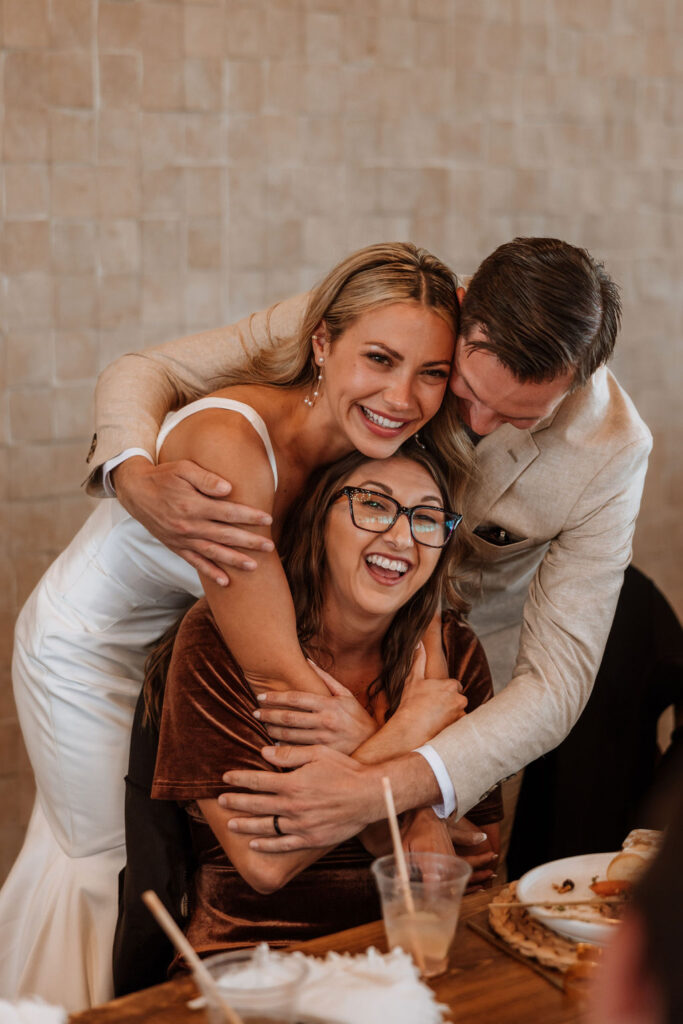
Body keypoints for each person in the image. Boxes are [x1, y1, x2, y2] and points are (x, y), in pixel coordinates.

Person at [0, 243, 469, 1011]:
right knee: (110, 858)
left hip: (184, 651)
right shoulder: (231, 450)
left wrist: (419, 754)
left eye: (430, 373)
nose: (402, 395)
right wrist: (410, 792)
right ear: (321, 343)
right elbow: (284, 681)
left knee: (176, 852)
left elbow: (417, 620)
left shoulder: (372, 447)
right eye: (378, 359)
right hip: (90, 650)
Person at [86, 237, 652, 851]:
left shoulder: (613, 452)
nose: (476, 424)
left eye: (520, 417)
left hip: (463, 682)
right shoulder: (397, 321)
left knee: (448, 888)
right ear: (462, 312)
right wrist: (131, 475)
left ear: (577, 384)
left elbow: (556, 683)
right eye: (461, 388)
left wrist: (419, 778)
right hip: (278, 631)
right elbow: (152, 369)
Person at [116, 447, 502, 986]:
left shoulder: (453, 656)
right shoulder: (220, 639)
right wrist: (402, 740)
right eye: (373, 506)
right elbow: (264, 864)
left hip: (410, 961)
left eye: (427, 517)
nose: (400, 537)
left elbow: (478, 859)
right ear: (318, 515)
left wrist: (365, 743)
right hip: (253, 964)